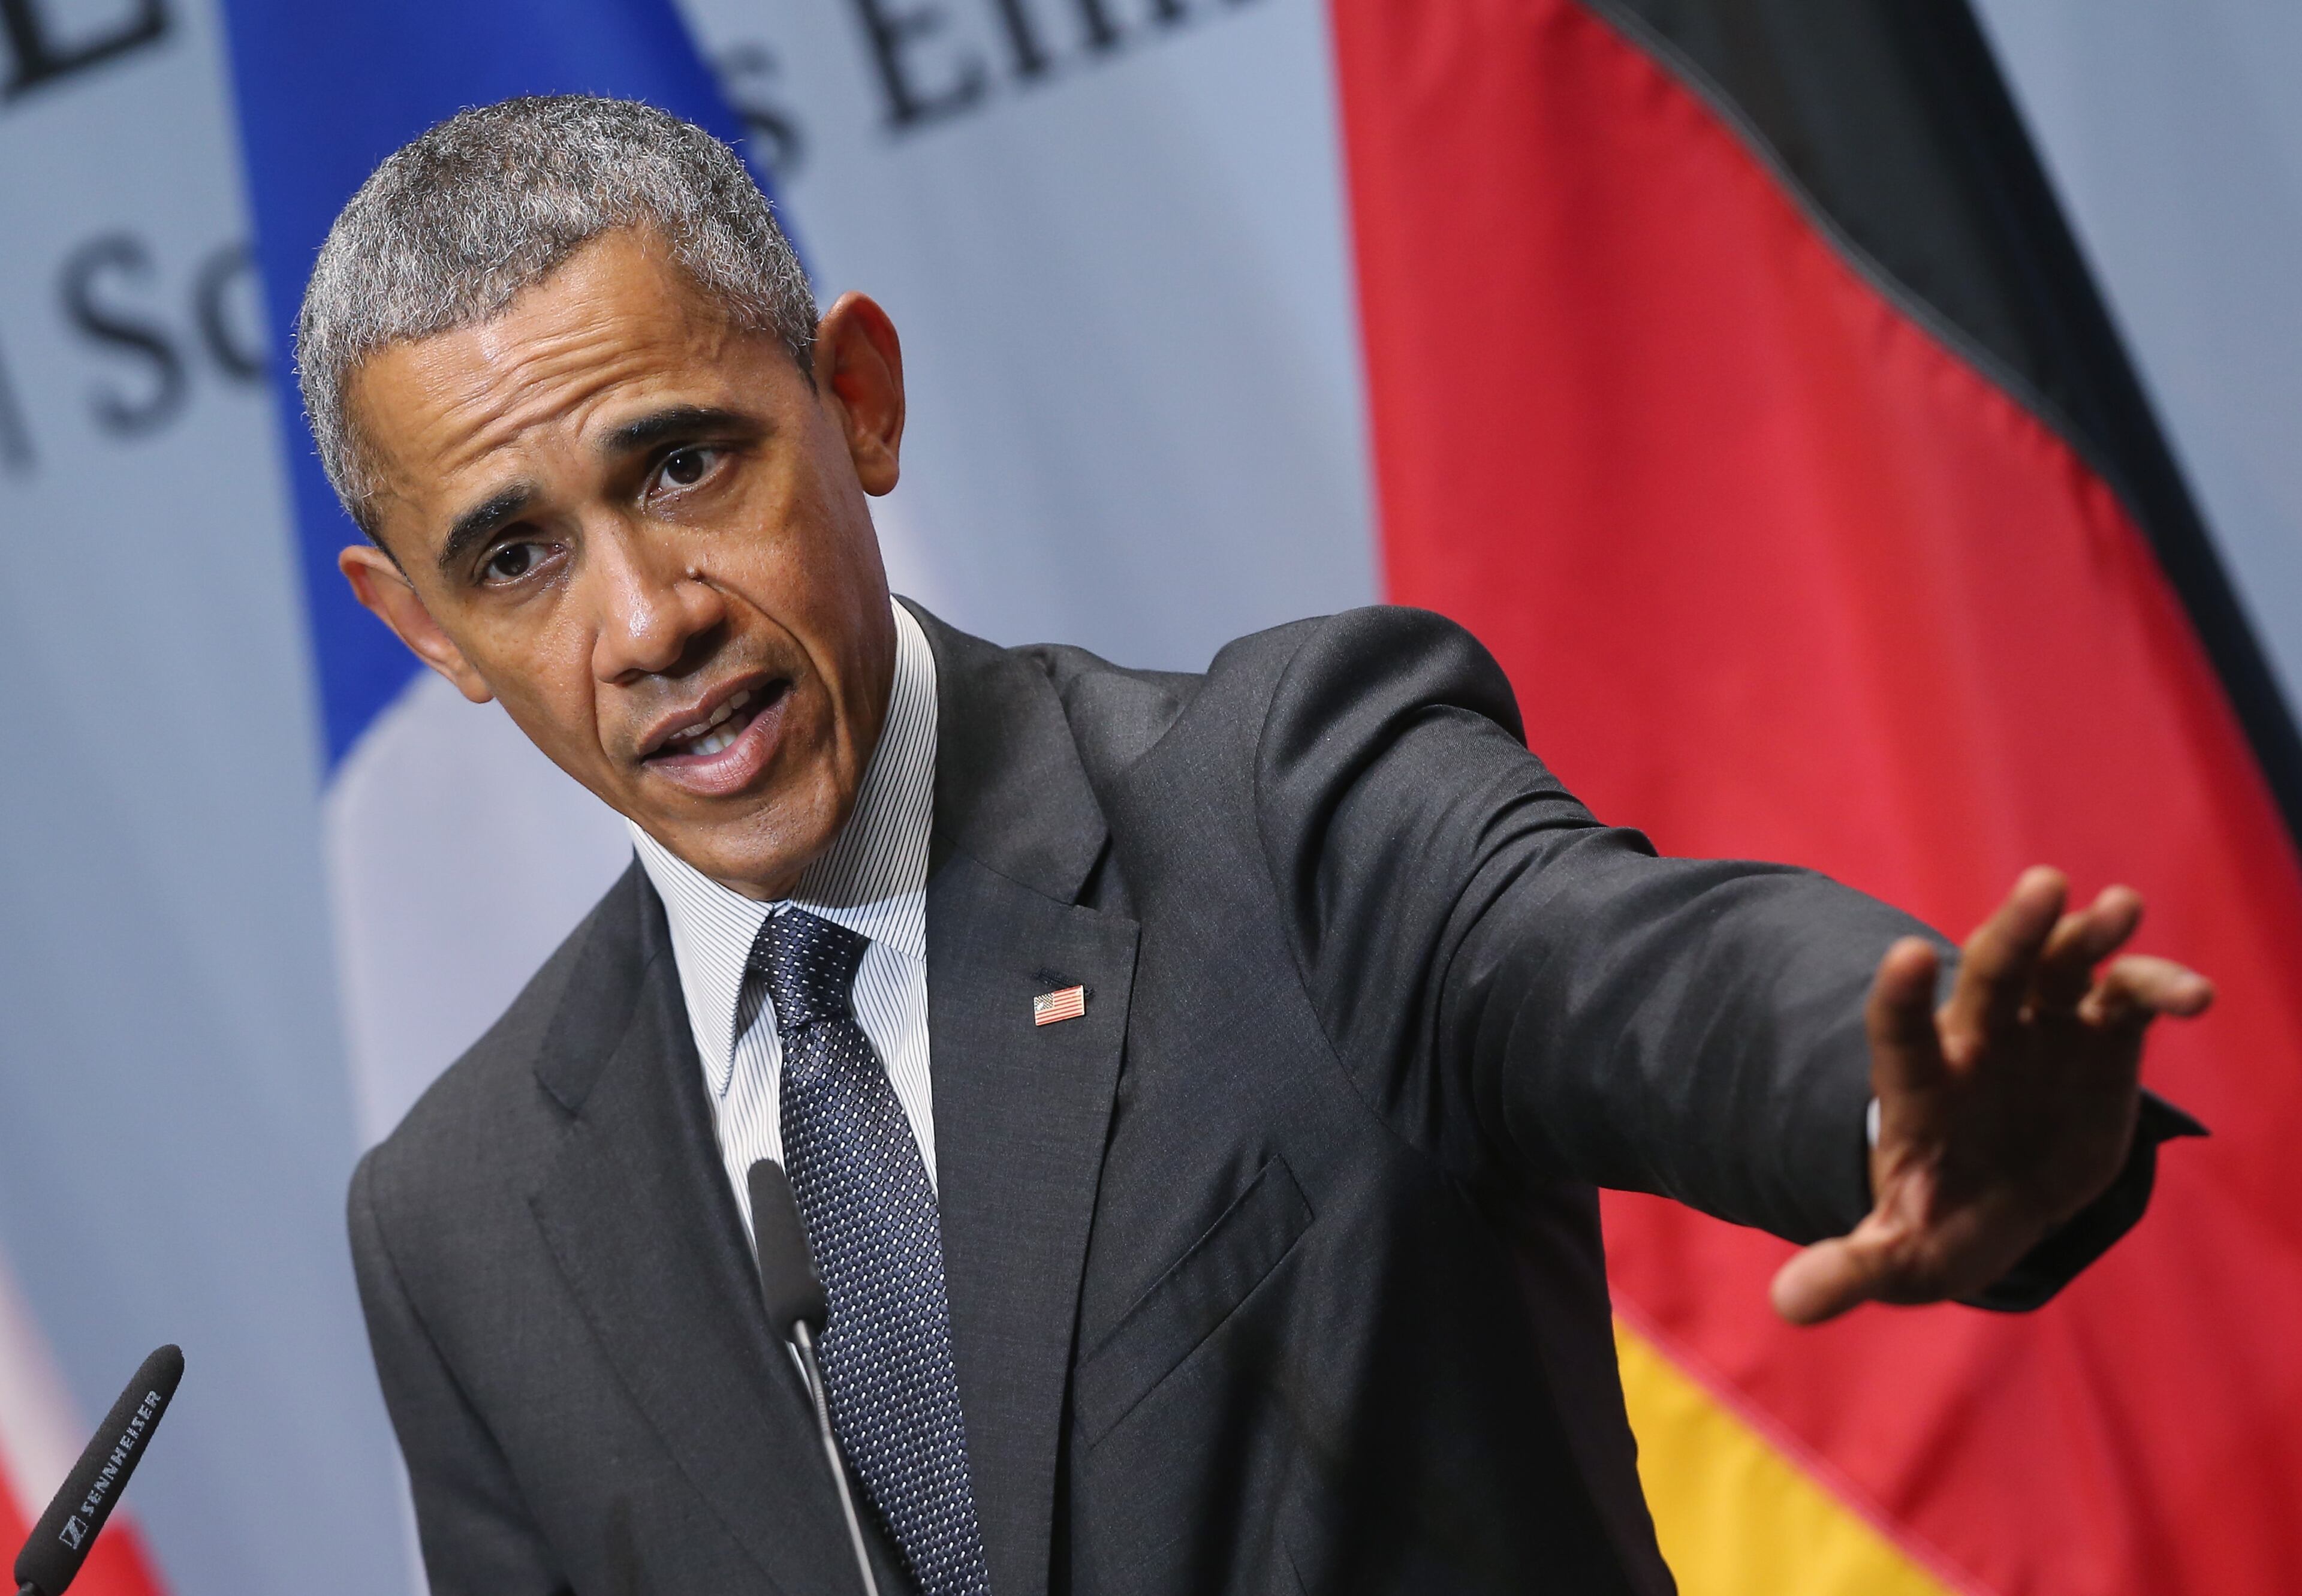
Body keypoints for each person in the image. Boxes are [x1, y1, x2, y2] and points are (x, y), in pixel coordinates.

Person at [316, 96, 2209, 1596]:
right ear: (423, 628)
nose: (647, 619)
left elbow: (1629, 966)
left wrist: (1891, 1095)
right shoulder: (462, 1226)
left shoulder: (1281, 803)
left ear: (858, 401)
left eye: (682, 464)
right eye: (516, 556)